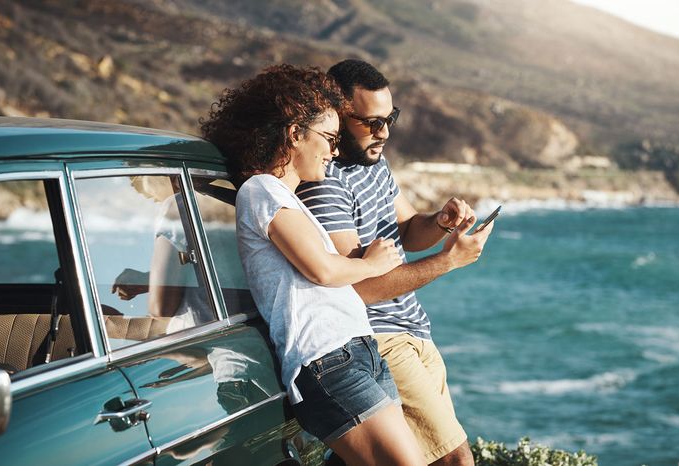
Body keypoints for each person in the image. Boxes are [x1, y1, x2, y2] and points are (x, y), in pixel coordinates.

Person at [200, 64, 426, 466]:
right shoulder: (261, 190)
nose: (334, 151)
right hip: (325, 361)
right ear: (294, 134)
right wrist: (373, 263)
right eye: (328, 138)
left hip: (359, 352)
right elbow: (323, 269)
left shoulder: (288, 198)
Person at [297, 59, 493, 466]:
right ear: (336, 114)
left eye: (389, 119)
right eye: (370, 122)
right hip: (381, 338)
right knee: (454, 460)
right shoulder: (325, 185)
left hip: (415, 330)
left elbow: (406, 228)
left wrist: (440, 222)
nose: (383, 132)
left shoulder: (375, 164)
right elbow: (358, 289)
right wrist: (447, 262)